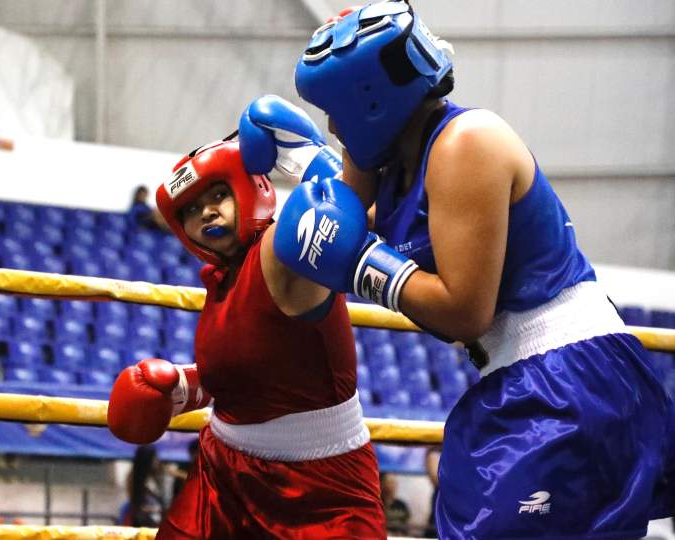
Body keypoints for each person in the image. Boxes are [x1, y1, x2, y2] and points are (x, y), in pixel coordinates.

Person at [235, 2, 675, 538]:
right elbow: (348, 222)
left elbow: (462, 310)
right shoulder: (398, 161)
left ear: (369, 100)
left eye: (336, 110)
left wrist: (357, 262)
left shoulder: (467, 143)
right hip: (522, 377)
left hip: (567, 374)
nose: (332, 124)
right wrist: (310, 159)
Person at [107, 139, 385, 538]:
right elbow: (257, 368)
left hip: (316, 487)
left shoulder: (281, 251)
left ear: (250, 188)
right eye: (190, 209)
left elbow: (346, 205)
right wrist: (185, 389)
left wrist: (349, 131)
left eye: (219, 194)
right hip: (223, 472)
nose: (206, 212)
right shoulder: (223, 279)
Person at [119, 445, 165, 527]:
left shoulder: (154, 477)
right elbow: (137, 504)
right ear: (147, 459)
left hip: (153, 520)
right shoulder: (135, 478)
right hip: (142, 522)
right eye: (155, 458)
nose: (157, 461)